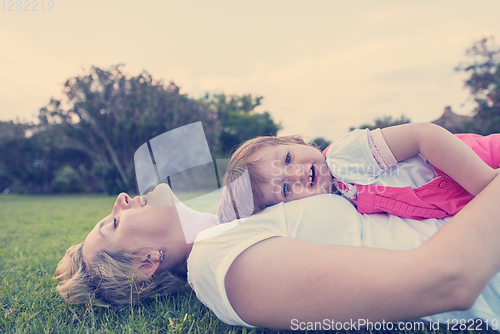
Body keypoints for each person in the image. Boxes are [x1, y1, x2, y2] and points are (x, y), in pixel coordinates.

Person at [54, 176, 500, 330]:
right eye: (112, 224)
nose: (120, 200)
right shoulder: (224, 268)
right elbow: (448, 279)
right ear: (147, 262)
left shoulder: (233, 210)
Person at [218, 122, 500, 224]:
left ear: (295, 142)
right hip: (466, 199)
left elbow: (424, 135)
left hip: (480, 161)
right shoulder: (337, 204)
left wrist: (485, 185)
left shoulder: (343, 158)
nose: (296, 174)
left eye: (288, 159)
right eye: (286, 189)